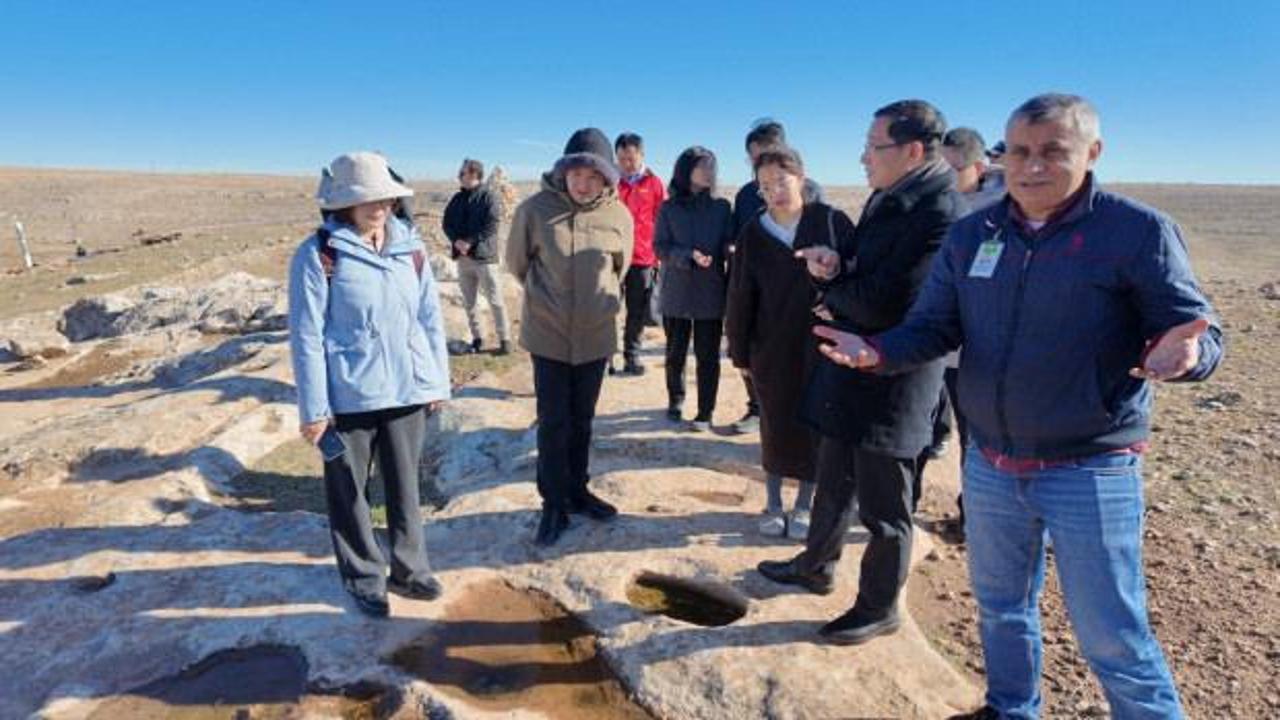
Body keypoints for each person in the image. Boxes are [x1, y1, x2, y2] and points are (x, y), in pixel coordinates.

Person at [814, 94, 1222, 720]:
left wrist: (1189, 358)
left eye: (1054, 151)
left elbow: (1197, 331)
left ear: (1092, 152)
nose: (1033, 166)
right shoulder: (974, 233)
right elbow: (932, 327)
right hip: (993, 463)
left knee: (1111, 633)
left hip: (1090, 467)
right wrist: (875, 351)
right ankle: (1011, 709)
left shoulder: (1135, 232)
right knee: (1001, 609)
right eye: (1022, 151)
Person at [758, 100, 962, 646]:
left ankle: (878, 607)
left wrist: (829, 292)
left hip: (895, 380)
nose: (863, 157)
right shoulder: (891, 197)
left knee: (885, 509)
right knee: (833, 479)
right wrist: (838, 264)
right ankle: (815, 566)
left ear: (913, 151)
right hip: (853, 367)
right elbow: (869, 276)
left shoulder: (939, 212)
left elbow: (891, 302)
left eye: (874, 147)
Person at [288, 151, 450, 618]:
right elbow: (306, 335)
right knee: (350, 491)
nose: (378, 206)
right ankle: (363, 577)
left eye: (385, 197)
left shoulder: (411, 248)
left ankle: (410, 569)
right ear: (342, 204)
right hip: (347, 398)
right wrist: (314, 409)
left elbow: (429, 320)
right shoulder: (319, 254)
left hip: (406, 391)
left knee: (405, 486)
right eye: (366, 199)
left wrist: (436, 380)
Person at [506, 128, 633, 546]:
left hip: (595, 338)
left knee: (583, 421)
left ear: (606, 179)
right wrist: (551, 302)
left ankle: (578, 491)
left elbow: (621, 269)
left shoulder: (619, 216)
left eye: (594, 176)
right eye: (577, 173)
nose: (584, 183)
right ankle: (553, 503)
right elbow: (518, 264)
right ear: (563, 173)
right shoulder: (534, 210)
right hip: (549, 336)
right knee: (554, 422)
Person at [725, 146, 830, 541]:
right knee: (773, 421)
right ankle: (773, 503)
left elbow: (852, 275)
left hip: (819, 344)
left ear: (801, 178)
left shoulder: (828, 221)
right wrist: (739, 350)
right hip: (769, 345)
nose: (774, 192)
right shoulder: (754, 232)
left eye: (781, 182)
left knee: (814, 424)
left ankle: (804, 504)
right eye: (765, 186)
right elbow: (739, 296)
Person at [728, 119, 826, 435]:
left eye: (765, 154)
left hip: (803, 292)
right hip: (760, 292)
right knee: (759, 356)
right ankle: (757, 409)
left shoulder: (812, 192)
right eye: (754, 158)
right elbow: (739, 238)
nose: (760, 164)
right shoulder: (745, 195)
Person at [653, 146, 734, 431]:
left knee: (708, 356)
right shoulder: (669, 208)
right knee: (675, 353)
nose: (711, 173)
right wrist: (687, 255)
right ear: (687, 171)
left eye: (713, 167)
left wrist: (729, 248)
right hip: (676, 291)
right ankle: (675, 400)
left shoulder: (722, 207)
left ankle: (705, 411)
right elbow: (660, 247)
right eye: (704, 167)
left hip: (710, 291)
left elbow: (728, 239)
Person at [442, 158, 511, 355]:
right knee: (469, 301)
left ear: (474, 174)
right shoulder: (457, 199)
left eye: (462, 173)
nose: (459, 176)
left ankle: (505, 341)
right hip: (463, 259)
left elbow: (492, 224)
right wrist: (456, 241)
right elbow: (446, 223)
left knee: (495, 299)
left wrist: (470, 241)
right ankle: (477, 338)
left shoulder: (489, 197)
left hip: (484, 258)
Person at [613, 132, 666, 376]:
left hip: (643, 259)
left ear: (641, 155)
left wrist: (658, 254)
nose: (626, 164)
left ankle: (631, 357)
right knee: (606, 309)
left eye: (631, 158)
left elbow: (662, 219)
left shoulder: (655, 183)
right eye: (621, 159)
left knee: (636, 311)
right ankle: (604, 358)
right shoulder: (610, 182)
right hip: (611, 257)